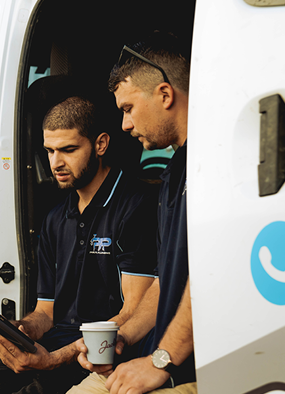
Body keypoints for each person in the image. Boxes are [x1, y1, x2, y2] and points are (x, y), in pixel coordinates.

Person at [0, 93, 158, 394]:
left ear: (100, 144)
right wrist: (20, 330)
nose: (56, 162)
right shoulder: (55, 218)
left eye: (68, 149)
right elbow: (46, 312)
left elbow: (133, 314)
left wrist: (54, 359)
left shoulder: (136, 204)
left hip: (99, 357)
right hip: (49, 349)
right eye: (49, 151)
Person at [68, 32, 196, 394]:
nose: (124, 124)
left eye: (128, 108)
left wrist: (161, 361)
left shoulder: (212, 164)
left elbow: (212, 274)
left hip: (192, 370)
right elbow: (163, 283)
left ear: (165, 95)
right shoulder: (172, 176)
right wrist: (120, 337)